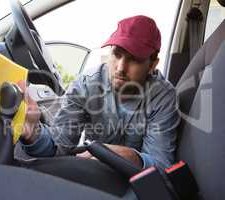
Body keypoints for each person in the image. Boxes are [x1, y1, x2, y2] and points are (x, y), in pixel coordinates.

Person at [18, 15, 180, 172]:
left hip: (136, 186)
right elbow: (60, 146)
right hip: (95, 174)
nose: (121, 68)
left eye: (135, 59)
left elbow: (161, 166)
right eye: (117, 54)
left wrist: (127, 155)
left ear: (152, 64)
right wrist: (33, 132)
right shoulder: (86, 85)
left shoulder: (163, 98)